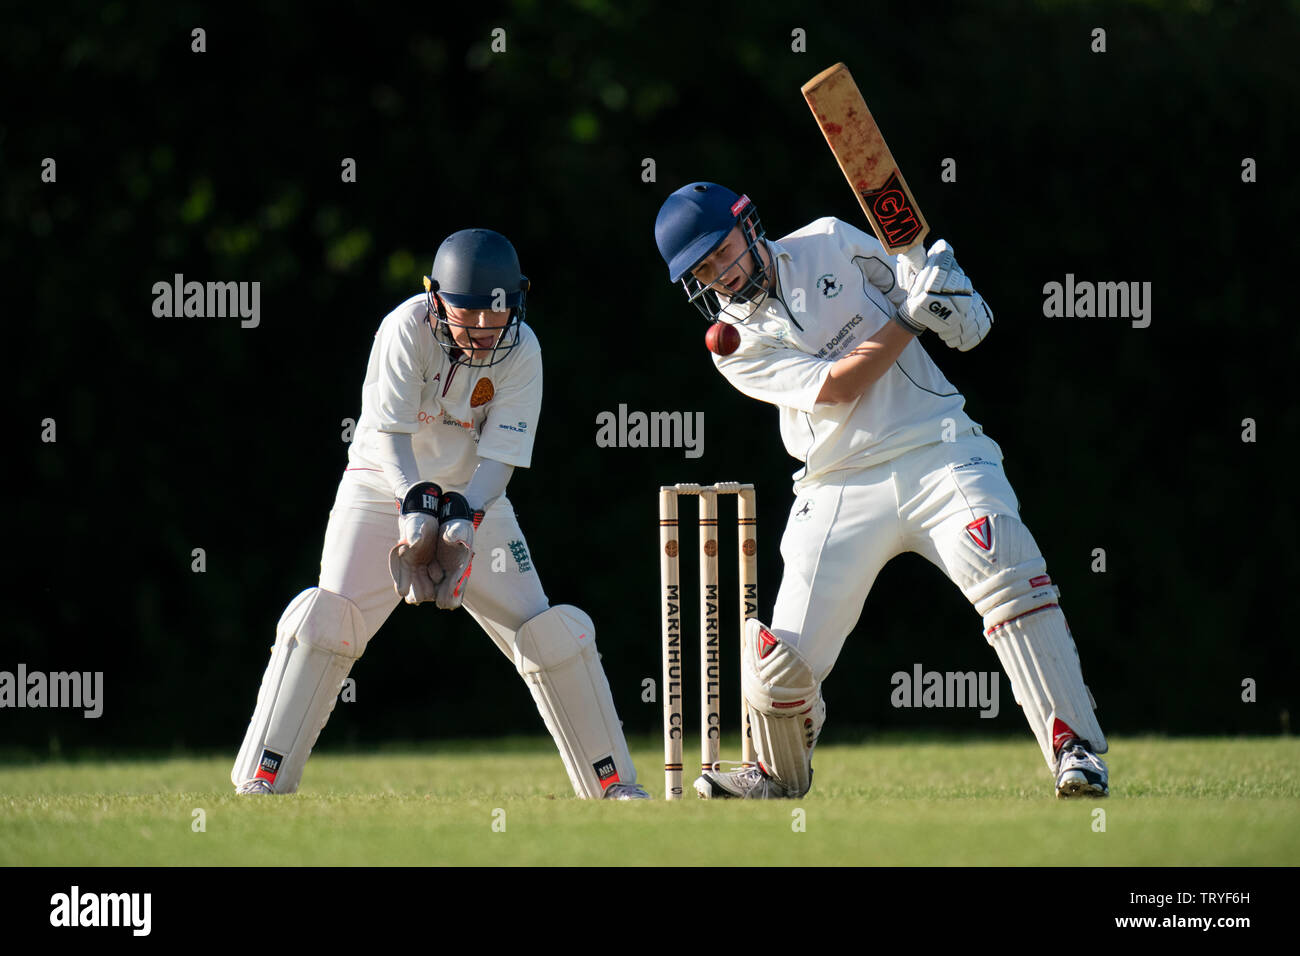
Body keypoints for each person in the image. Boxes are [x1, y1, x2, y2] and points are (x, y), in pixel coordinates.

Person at [654, 183, 1108, 800]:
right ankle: (776, 773)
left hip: (936, 445)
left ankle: (1072, 748)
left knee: (998, 553)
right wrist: (908, 319)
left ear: (749, 226)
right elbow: (839, 385)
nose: (722, 276)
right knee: (778, 663)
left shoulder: (830, 242)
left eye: (723, 253)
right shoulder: (733, 345)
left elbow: (920, 290)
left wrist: (951, 299)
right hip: (836, 482)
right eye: (704, 271)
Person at [232, 228, 647, 799]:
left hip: (477, 495)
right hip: (381, 485)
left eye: (494, 315)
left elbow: (502, 455)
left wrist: (463, 520)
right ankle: (265, 775)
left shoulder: (523, 349)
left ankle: (614, 786)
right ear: (436, 299)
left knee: (548, 632)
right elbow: (390, 434)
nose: (482, 331)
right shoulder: (405, 328)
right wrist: (413, 509)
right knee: (326, 619)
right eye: (467, 315)